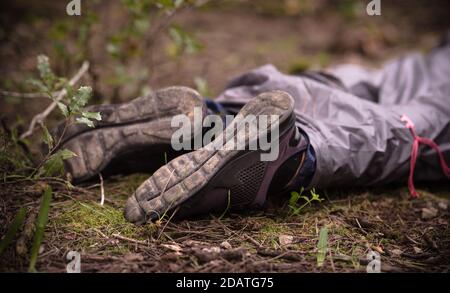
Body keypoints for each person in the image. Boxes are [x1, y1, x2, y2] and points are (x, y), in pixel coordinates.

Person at [57, 34, 450, 224]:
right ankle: (287, 153)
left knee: (333, 87)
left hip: (426, 62)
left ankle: (216, 118)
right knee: (407, 131)